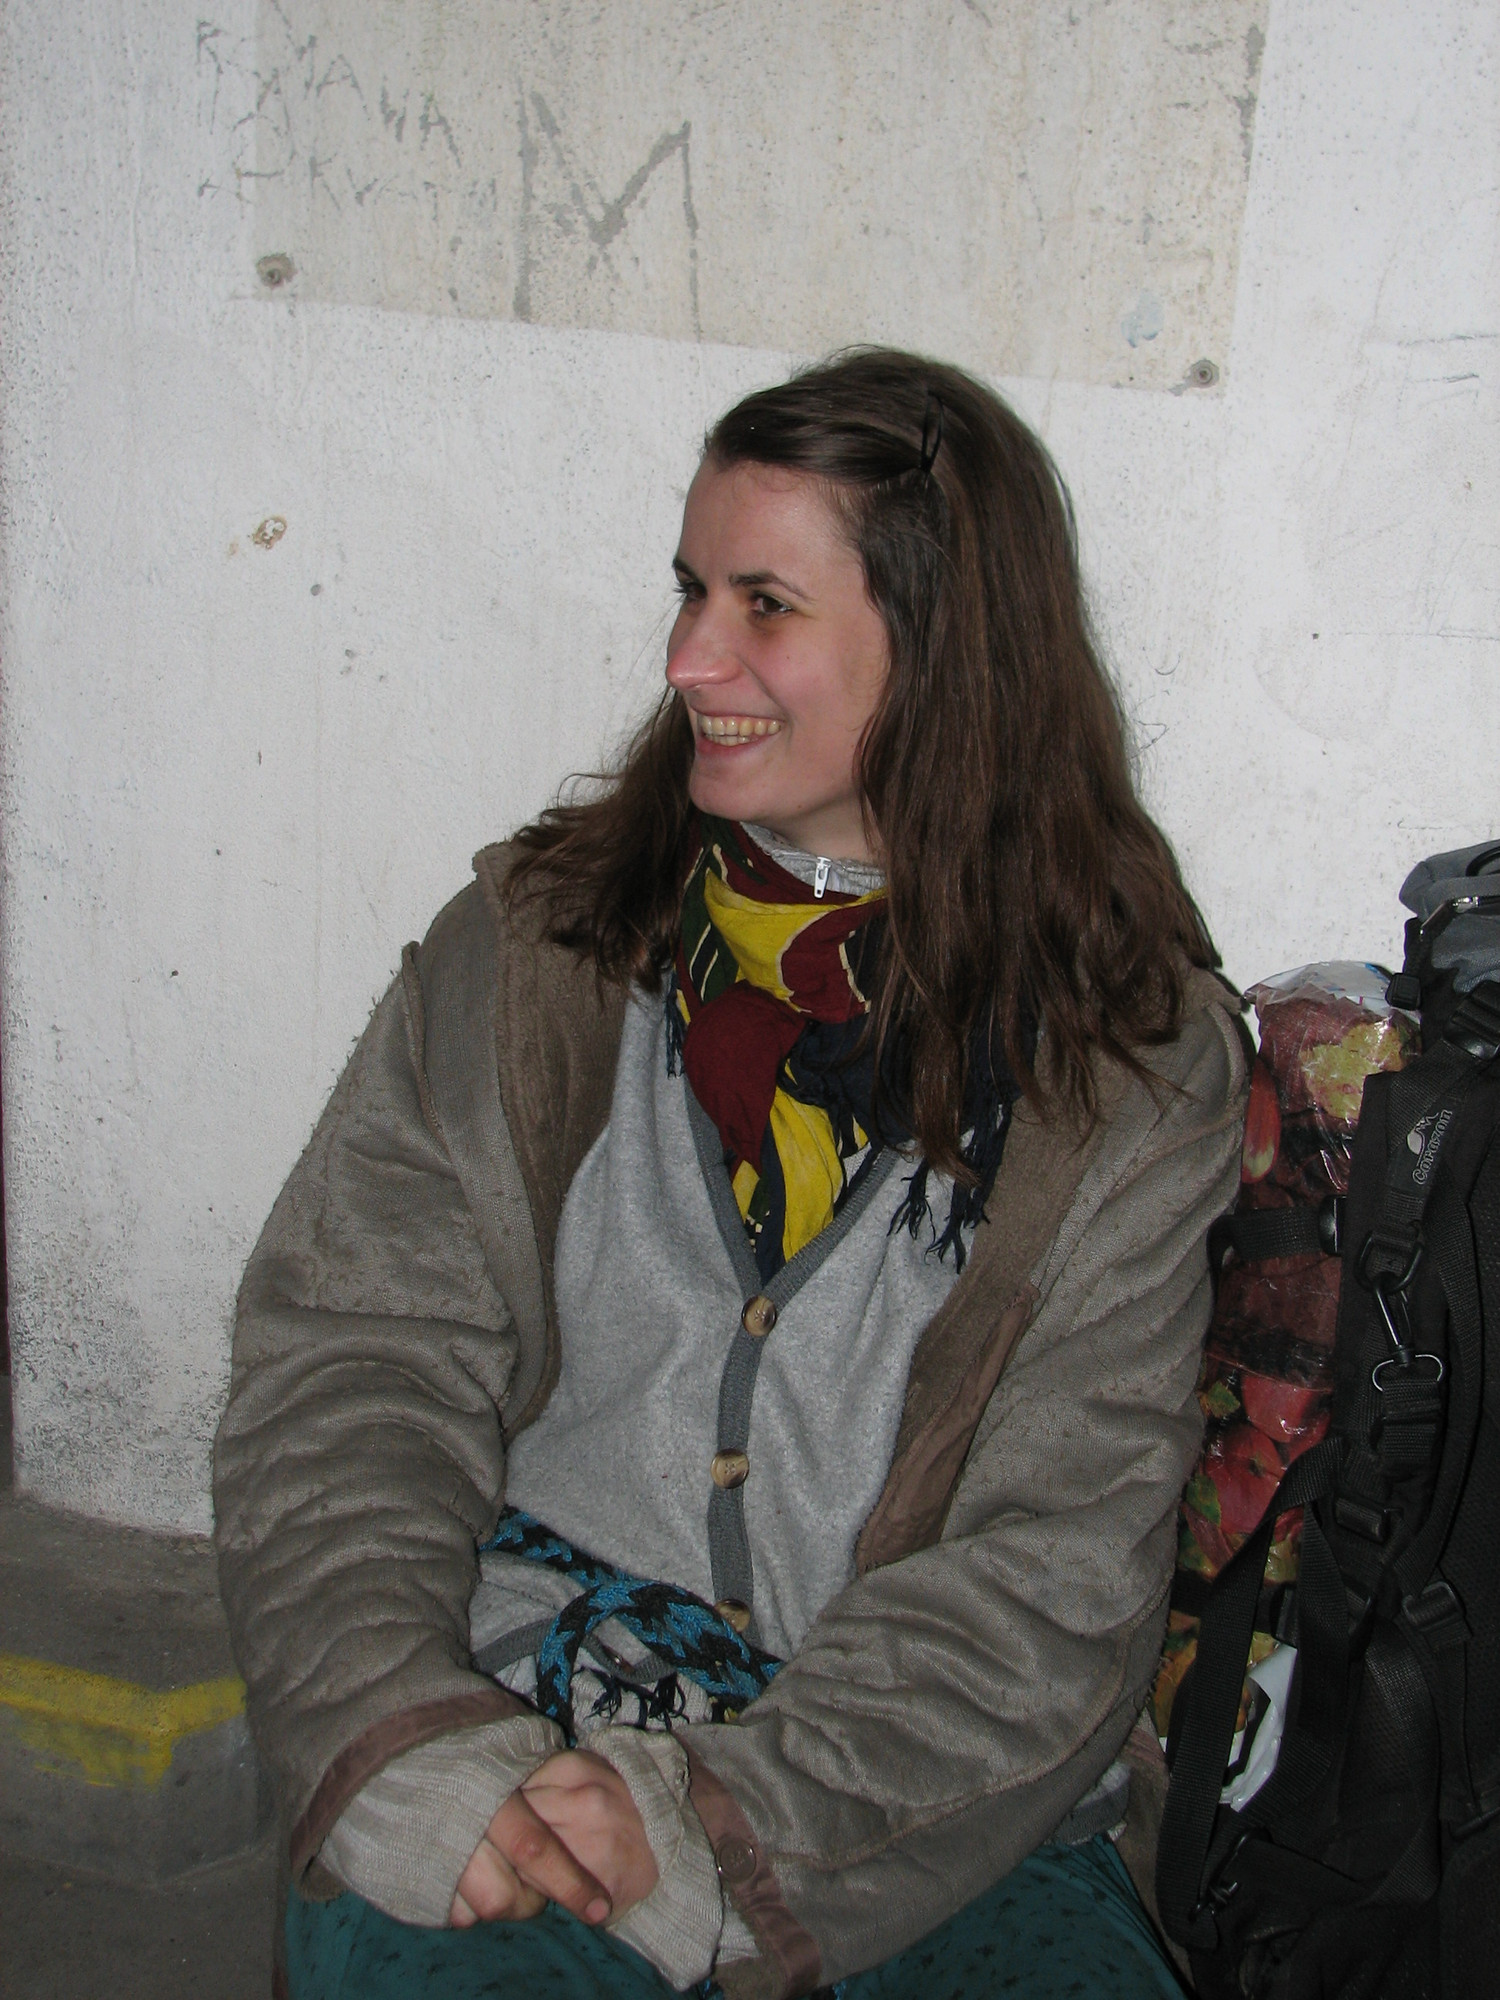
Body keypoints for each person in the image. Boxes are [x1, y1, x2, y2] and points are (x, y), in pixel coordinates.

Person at [213, 348, 1247, 2000]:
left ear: (947, 651)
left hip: (913, 1793)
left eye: (764, 603)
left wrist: (723, 1812)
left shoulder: (1123, 1069)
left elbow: (1057, 1564)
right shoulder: (538, 956)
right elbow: (351, 1367)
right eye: (693, 589)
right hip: (516, 1722)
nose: (689, 657)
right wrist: (395, 1730)